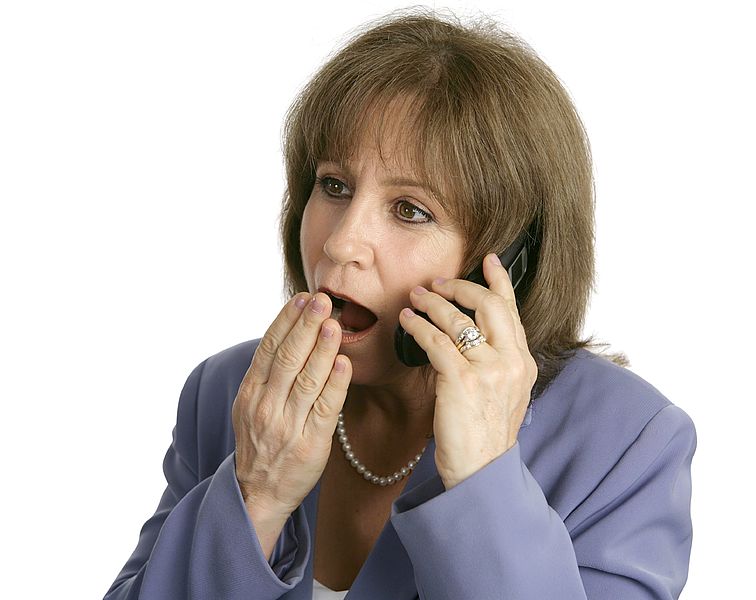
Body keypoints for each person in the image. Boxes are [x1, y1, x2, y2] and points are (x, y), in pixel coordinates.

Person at [105, 8, 695, 600]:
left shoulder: (627, 442)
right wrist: (254, 496)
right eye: (333, 185)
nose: (340, 242)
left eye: (411, 210)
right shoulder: (231, 393)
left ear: (509, 263)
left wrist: (483, 484)